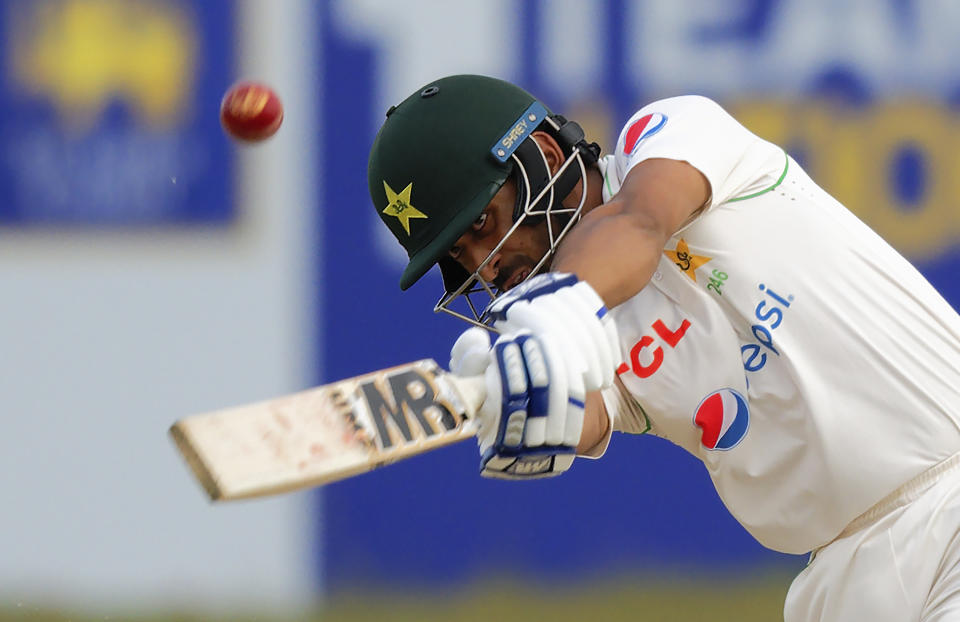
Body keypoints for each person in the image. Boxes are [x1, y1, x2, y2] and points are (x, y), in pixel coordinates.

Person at [366, 74, 960, 621]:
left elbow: (640, 221)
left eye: (481, 225)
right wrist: (505, 399)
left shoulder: (669, 137)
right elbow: (586, 416)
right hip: (840, 587)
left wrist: (554, 314)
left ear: (543, 157)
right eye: (459, 260)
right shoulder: (576, 330)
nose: (486, 266)